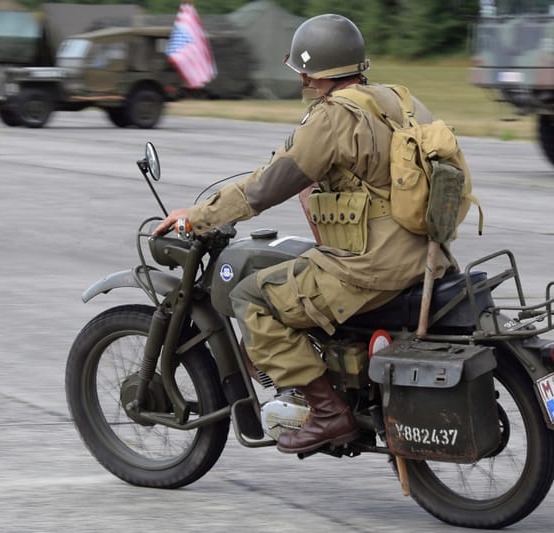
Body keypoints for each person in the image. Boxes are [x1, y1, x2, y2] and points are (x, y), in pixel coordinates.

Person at [154, 13, 458, 454]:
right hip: (428, 257)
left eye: (303, 69)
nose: (302, 78)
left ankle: (329, 414)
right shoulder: (399, 100)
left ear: (312, 71)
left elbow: (265, 188)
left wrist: (197, 216)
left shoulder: (332, 118)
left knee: (250, 297)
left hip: (370, 268)